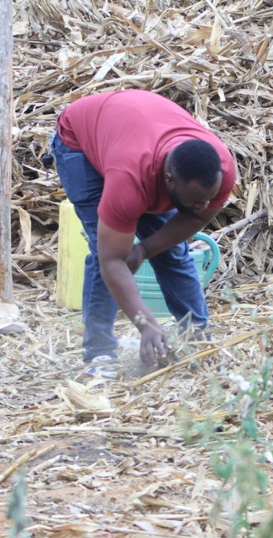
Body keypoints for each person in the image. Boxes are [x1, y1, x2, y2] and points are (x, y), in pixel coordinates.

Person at [49, 89, 236, 376]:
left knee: (172, 250)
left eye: (209, 199)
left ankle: (196, 339)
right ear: (169, 180)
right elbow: (112, 260)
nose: (204, 207)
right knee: (104, 251)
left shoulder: (220, 170)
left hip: (135, 130)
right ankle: (100, 353)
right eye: (196, 200)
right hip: (81, 141)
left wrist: (145, 249)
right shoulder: (131, 179)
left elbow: (194, 220)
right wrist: (145, 324)